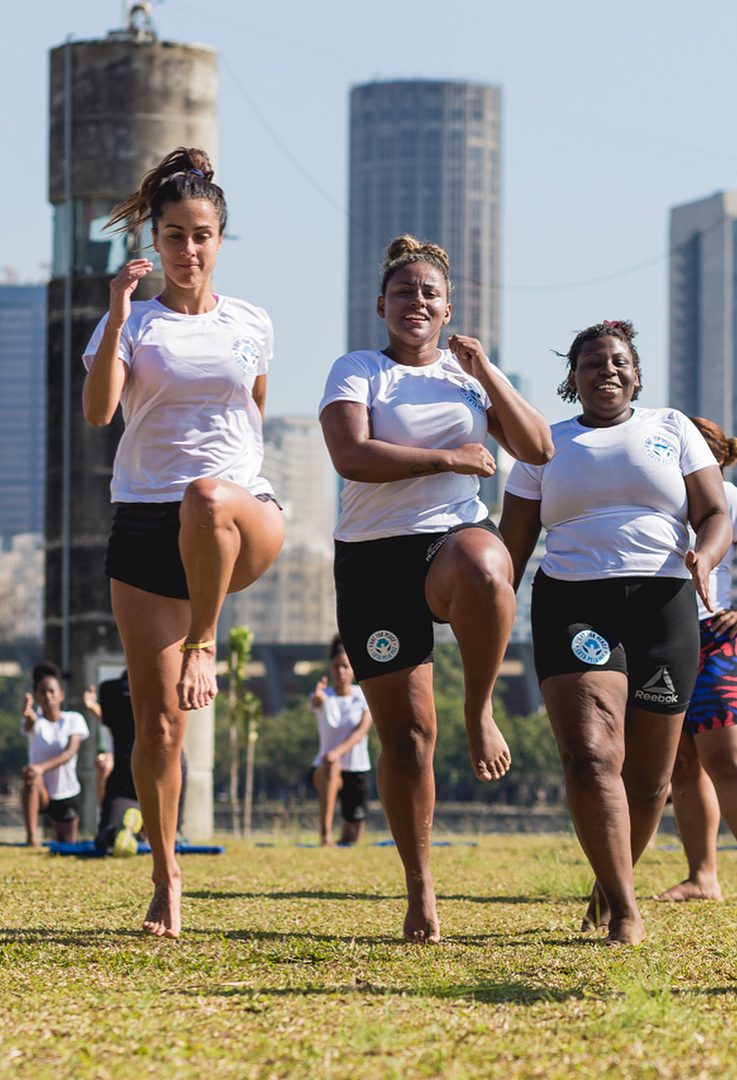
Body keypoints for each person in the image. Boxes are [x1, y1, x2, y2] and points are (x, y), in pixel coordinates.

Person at [319, 234, 552, 943]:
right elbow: (351, 456)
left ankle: (479, 709)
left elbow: (538, 449)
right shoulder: (359, 370)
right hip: (373, 559)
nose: (415, 302)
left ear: (448, 308)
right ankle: (420, 888)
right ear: (381, 305)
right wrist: (448, 457)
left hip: (450, 537)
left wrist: (489, 371)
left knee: (487, 565)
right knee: (410, 739)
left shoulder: (470, 378)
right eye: (403, 292)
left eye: (429, 294)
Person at [83, 147, 285, 937]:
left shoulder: (252, 322)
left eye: (201, 236)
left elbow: (253, 412)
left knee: (207, 494)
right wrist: (117, 314)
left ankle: (205, 642)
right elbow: (99, 413)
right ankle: (166, 875)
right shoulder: (132, 323)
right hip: (144, 521)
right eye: (174, 236)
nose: (188, 250)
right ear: (155, 241)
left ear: (220, 240)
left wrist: (227, 489)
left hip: (236, 513)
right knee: (158, 725)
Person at [499, 320, 730, 945]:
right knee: (591, 756)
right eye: (592, 363)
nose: (607, 370)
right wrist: (477, 609)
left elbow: (714, 512)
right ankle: (626, 911)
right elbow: (511, 550)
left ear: (636, 374)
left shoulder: (672, 427)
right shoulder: (545, 443)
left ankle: (607, 888)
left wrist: (705, 556)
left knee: (651, 780)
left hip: (664, 603)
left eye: (619, 361)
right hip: (575, 602)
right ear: (572, 379)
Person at [656, 418, 737, 903]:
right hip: (660, 637)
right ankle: (703, 877)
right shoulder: (657, 495)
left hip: (716, 637)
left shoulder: (729, 498)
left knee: (730, 760)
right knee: (681, 763)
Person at [309, 637, 372, 847]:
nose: (341, 672)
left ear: (353, 669)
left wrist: (338, 751)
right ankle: (325, 835)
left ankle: (342, 834)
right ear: (330, 668)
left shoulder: (364, 696)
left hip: (356, 768)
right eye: (336, 667)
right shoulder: (323, 696)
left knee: (351, 838)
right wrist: (318, 697)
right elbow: (316, 702)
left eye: (345, 666)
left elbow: (361, 731)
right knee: (331, 766)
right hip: (325, 768)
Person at [20, 662, 90, 847]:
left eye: (52, 691)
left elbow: (69, 754)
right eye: (42, 693)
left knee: (66, 844)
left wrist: (41, 767)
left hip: (66, 793)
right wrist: (27, 713)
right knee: (30, 776)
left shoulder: (74, 719)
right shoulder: (36, 722)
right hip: (41, 793)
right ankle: (31, 838)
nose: (48, 697)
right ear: (37, 696)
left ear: (61, 694)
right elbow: (30, 722)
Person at [85, 673, 148, 856]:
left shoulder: (111, 691)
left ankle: (117, 831)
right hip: (151, 777)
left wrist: (93, 707)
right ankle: (142, 830)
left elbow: (111, 725)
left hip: (123, 777)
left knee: (106, 839)